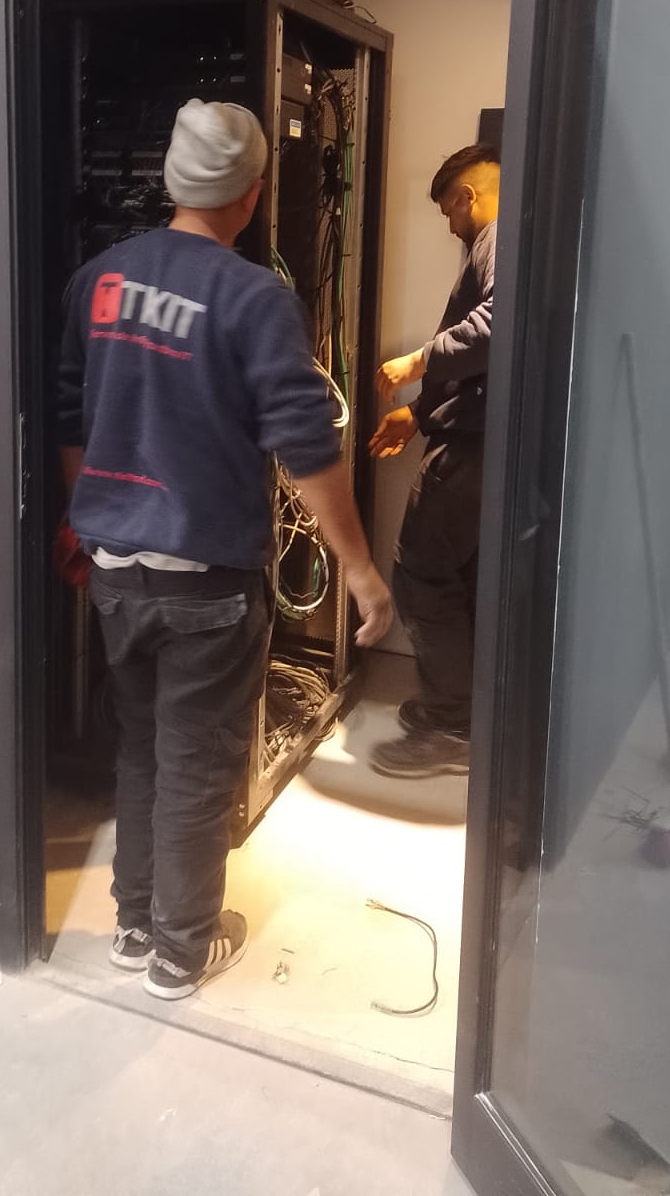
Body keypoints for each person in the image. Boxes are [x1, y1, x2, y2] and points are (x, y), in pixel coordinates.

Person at [58, 99, 393, 1001]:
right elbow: (306, 442)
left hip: (117, 569)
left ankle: (136, 925)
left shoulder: (97, 280)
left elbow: (68, 412)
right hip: (205, 577)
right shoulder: (253, 298)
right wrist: (359, 567)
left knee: (142, 748)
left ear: (174, 180)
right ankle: (181, 951)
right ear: (252, 192)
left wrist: (82, 517)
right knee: (198, 764)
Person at [367, 144, 499, 778]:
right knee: (457, 580)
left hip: (471, 447)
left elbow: (497, 326)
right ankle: (464, 713)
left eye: (449, 210)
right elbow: (480, 368)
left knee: (420, 575)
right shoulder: (509, 239)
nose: (450, 224)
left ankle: (452, 728)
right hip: (477, 437)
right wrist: (419, 415)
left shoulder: (497, 236)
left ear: (467, 196)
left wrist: (416, 362)